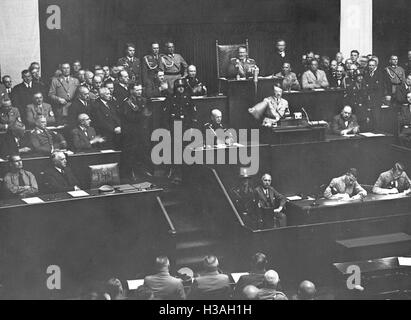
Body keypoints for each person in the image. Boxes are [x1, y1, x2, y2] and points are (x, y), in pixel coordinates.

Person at [162, 79, 198, 184]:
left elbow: (193, 114)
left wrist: (192, 127)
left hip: (187, 127)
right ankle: (177, 174)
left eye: (182, 87)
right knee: (176, 152)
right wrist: (167, 129)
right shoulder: (170, 99)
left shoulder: (188, 98)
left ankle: (188, 175)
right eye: (179, 87)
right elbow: (165, 116)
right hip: (175, 127)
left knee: (187, 151)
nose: (181, 89)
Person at [120, 84, 152, 179]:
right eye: (137, 90)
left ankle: (143, 170)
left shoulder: (144, 100)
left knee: (143, 150)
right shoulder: (127, 102)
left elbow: (148, 114)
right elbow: (129, 117)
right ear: (131, 91)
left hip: (143, 130)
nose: (139, 92)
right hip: (132, 131)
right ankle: (131, 172)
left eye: (140, 90)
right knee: (131, 152)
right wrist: (142, 115)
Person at [363, 58, 391, 130]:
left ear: (375, 65)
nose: (371, 67)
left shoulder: (381, 73)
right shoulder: (366, 73)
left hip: (378, 98)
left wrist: (388, 94)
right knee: (369, 117)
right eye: (369, 65)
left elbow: (388, 84)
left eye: (372, 65)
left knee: (377, 116)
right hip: (368, 98)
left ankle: (377, 132)